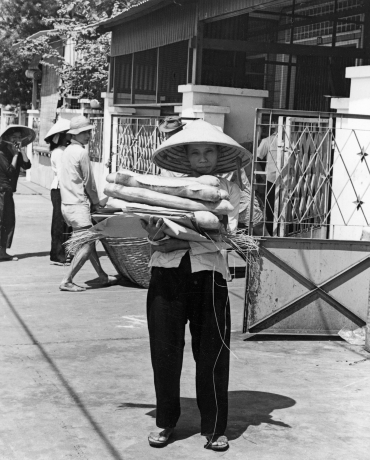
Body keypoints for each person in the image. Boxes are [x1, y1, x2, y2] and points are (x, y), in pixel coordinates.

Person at [140, 120, 250, 451]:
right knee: (164, 351)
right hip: (167, 276)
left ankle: (214, 428)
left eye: (208, 152)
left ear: (218, 156)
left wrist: (179, 238)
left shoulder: (229, 191)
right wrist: (167, 235)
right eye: (195, 153)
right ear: (186, 157)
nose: (202, 159)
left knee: (212, 353)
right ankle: (165, 422)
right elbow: (154, 232)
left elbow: (221, 231)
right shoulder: (165, 189)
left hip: (210, 277)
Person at [58, 115, 116, 292]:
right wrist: (97, 203)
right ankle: (67, 280)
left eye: (89, 131)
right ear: (75, 134)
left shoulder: (66, 151)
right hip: (78, 205)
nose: (88, 135)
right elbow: (89, 183)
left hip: (67, 205)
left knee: (87, 241)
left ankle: (102, 275)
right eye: (84, 132)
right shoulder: (81, 152)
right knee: (88, 244)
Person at [0, 124, 34, 261]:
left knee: (9, 221)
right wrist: (14, 155)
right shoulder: (1, 153)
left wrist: (22, 151)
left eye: (19, 138)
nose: (17, 140)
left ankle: (3, 251)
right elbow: (9, 171)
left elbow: (27, 166)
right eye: (14, 137)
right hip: (1, 190)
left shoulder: (17, 152)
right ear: (7, 138)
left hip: (8, 191)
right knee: (1, 220)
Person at [44, 118, 72, 265]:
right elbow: (62, 175)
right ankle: (57, 255)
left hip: (62, 189)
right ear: (63, 135)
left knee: (64, 222)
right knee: (59, 223)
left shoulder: (63, 150)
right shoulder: (59, 152)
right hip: (60, 189)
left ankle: (62, 253)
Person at [256, 122, 278, 235]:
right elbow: (258, 158)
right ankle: (271, 230)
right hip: (272, 178)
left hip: (285, 179)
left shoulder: (293, 141)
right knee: (271, 205)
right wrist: (263, 175)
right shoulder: (267, 141)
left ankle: (280, 230)